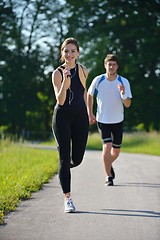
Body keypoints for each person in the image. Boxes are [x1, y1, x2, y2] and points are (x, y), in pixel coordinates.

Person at [52, 38, 89, 213]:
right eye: (66, 51)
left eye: (73, 50)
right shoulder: (57, 73)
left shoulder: (83, 70)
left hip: (80, 117)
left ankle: (63, 167)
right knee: (64, 157)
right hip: (62, 118)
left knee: (78, 158)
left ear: (78, 53)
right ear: (62, 53)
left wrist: (89, 113)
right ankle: (68, 199)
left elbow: (83, 94)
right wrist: (65, 83)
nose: (69, 54)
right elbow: (60, 100)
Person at [87, 54, 132, 186]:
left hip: (118, 120)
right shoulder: (98, 80)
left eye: (114, 64)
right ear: (105, 65)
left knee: (116, 151)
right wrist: (90, 113)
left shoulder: (123, 82)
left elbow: (128, 104)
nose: (111, 66)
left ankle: (107, 164)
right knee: (107, 147)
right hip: (102, 120)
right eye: (109, 64)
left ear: (117, 66)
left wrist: (123, 94)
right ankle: (108, 176)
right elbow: (89, 95)